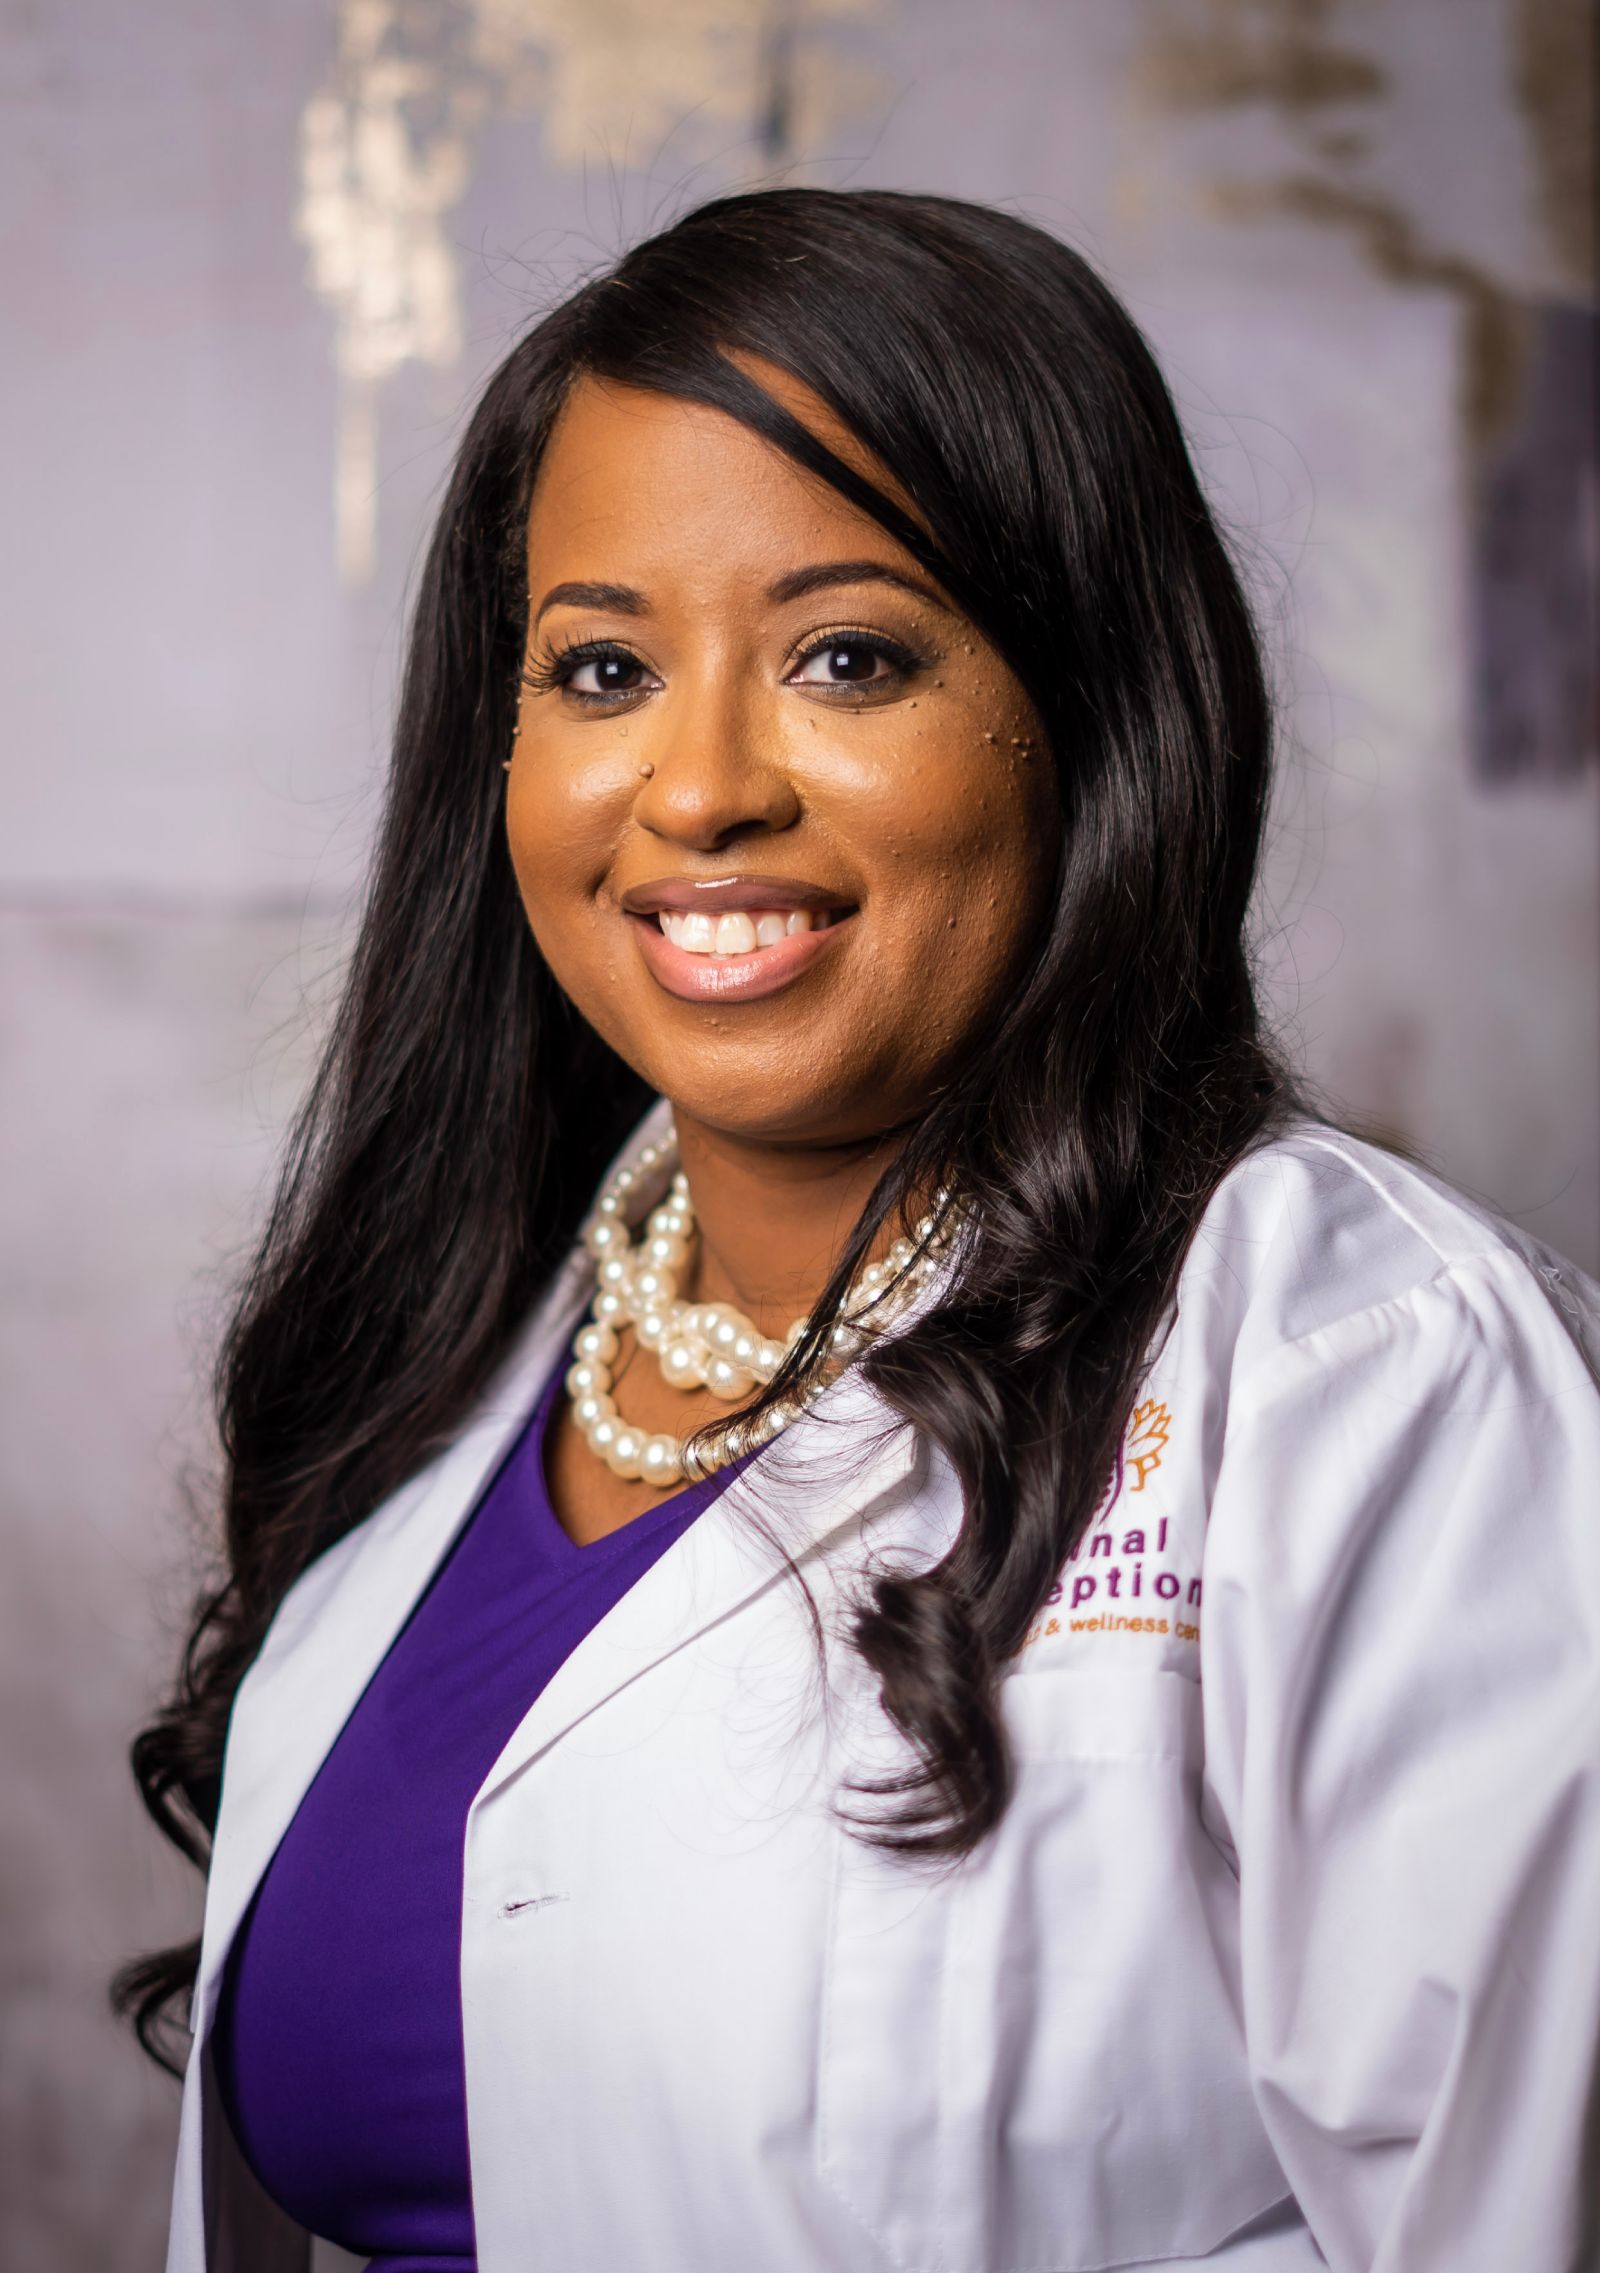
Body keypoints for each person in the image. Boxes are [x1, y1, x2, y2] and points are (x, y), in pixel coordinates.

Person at [119, 188, 1600, 2273]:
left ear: (1090, 711)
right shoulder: (439, 1365)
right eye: (603, 666)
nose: (698, 786)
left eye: (847, 655)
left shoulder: (1361, 1371)